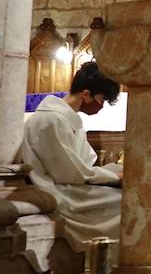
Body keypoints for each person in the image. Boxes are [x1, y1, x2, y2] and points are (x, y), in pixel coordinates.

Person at [22, 62, 123, 251]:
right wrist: (114, 176)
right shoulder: (51, 120)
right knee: (125, 202)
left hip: (72, 183)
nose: (101, 107)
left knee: (124, 182)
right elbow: (69, 172)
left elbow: (84, 163)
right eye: (102, 100)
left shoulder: (68, 118)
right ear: (86, 94)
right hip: (58, 191)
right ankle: (109, 259)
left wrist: (115, 172)